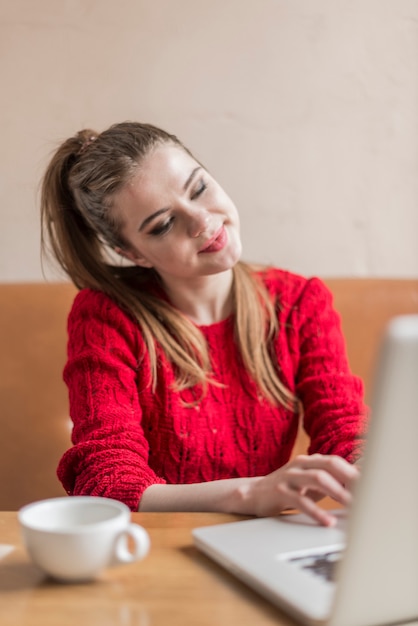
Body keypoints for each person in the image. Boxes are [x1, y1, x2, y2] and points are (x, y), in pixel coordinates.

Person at [40, 121, 367, 527]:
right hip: (158, 549)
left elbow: (343, 430)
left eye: (199, 188)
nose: (202, 222)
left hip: (264, 541)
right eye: (162, 225)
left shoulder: (299, 302)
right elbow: (107, 481)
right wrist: (251, 493)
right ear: (133, 253)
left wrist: (373, 467)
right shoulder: (106, 316)